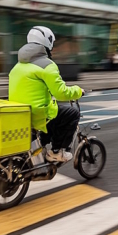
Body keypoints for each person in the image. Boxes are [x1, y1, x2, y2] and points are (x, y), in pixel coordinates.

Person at [9, 26, 84, 163]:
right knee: (72, 113)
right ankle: (57, 151)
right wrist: (78, 91)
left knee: (55, 112)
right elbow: (61, 93)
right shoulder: (47, 65)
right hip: (38, 116)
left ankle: (42, 145)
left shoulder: (17, 66)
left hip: (20, 114)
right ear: (47, 42)